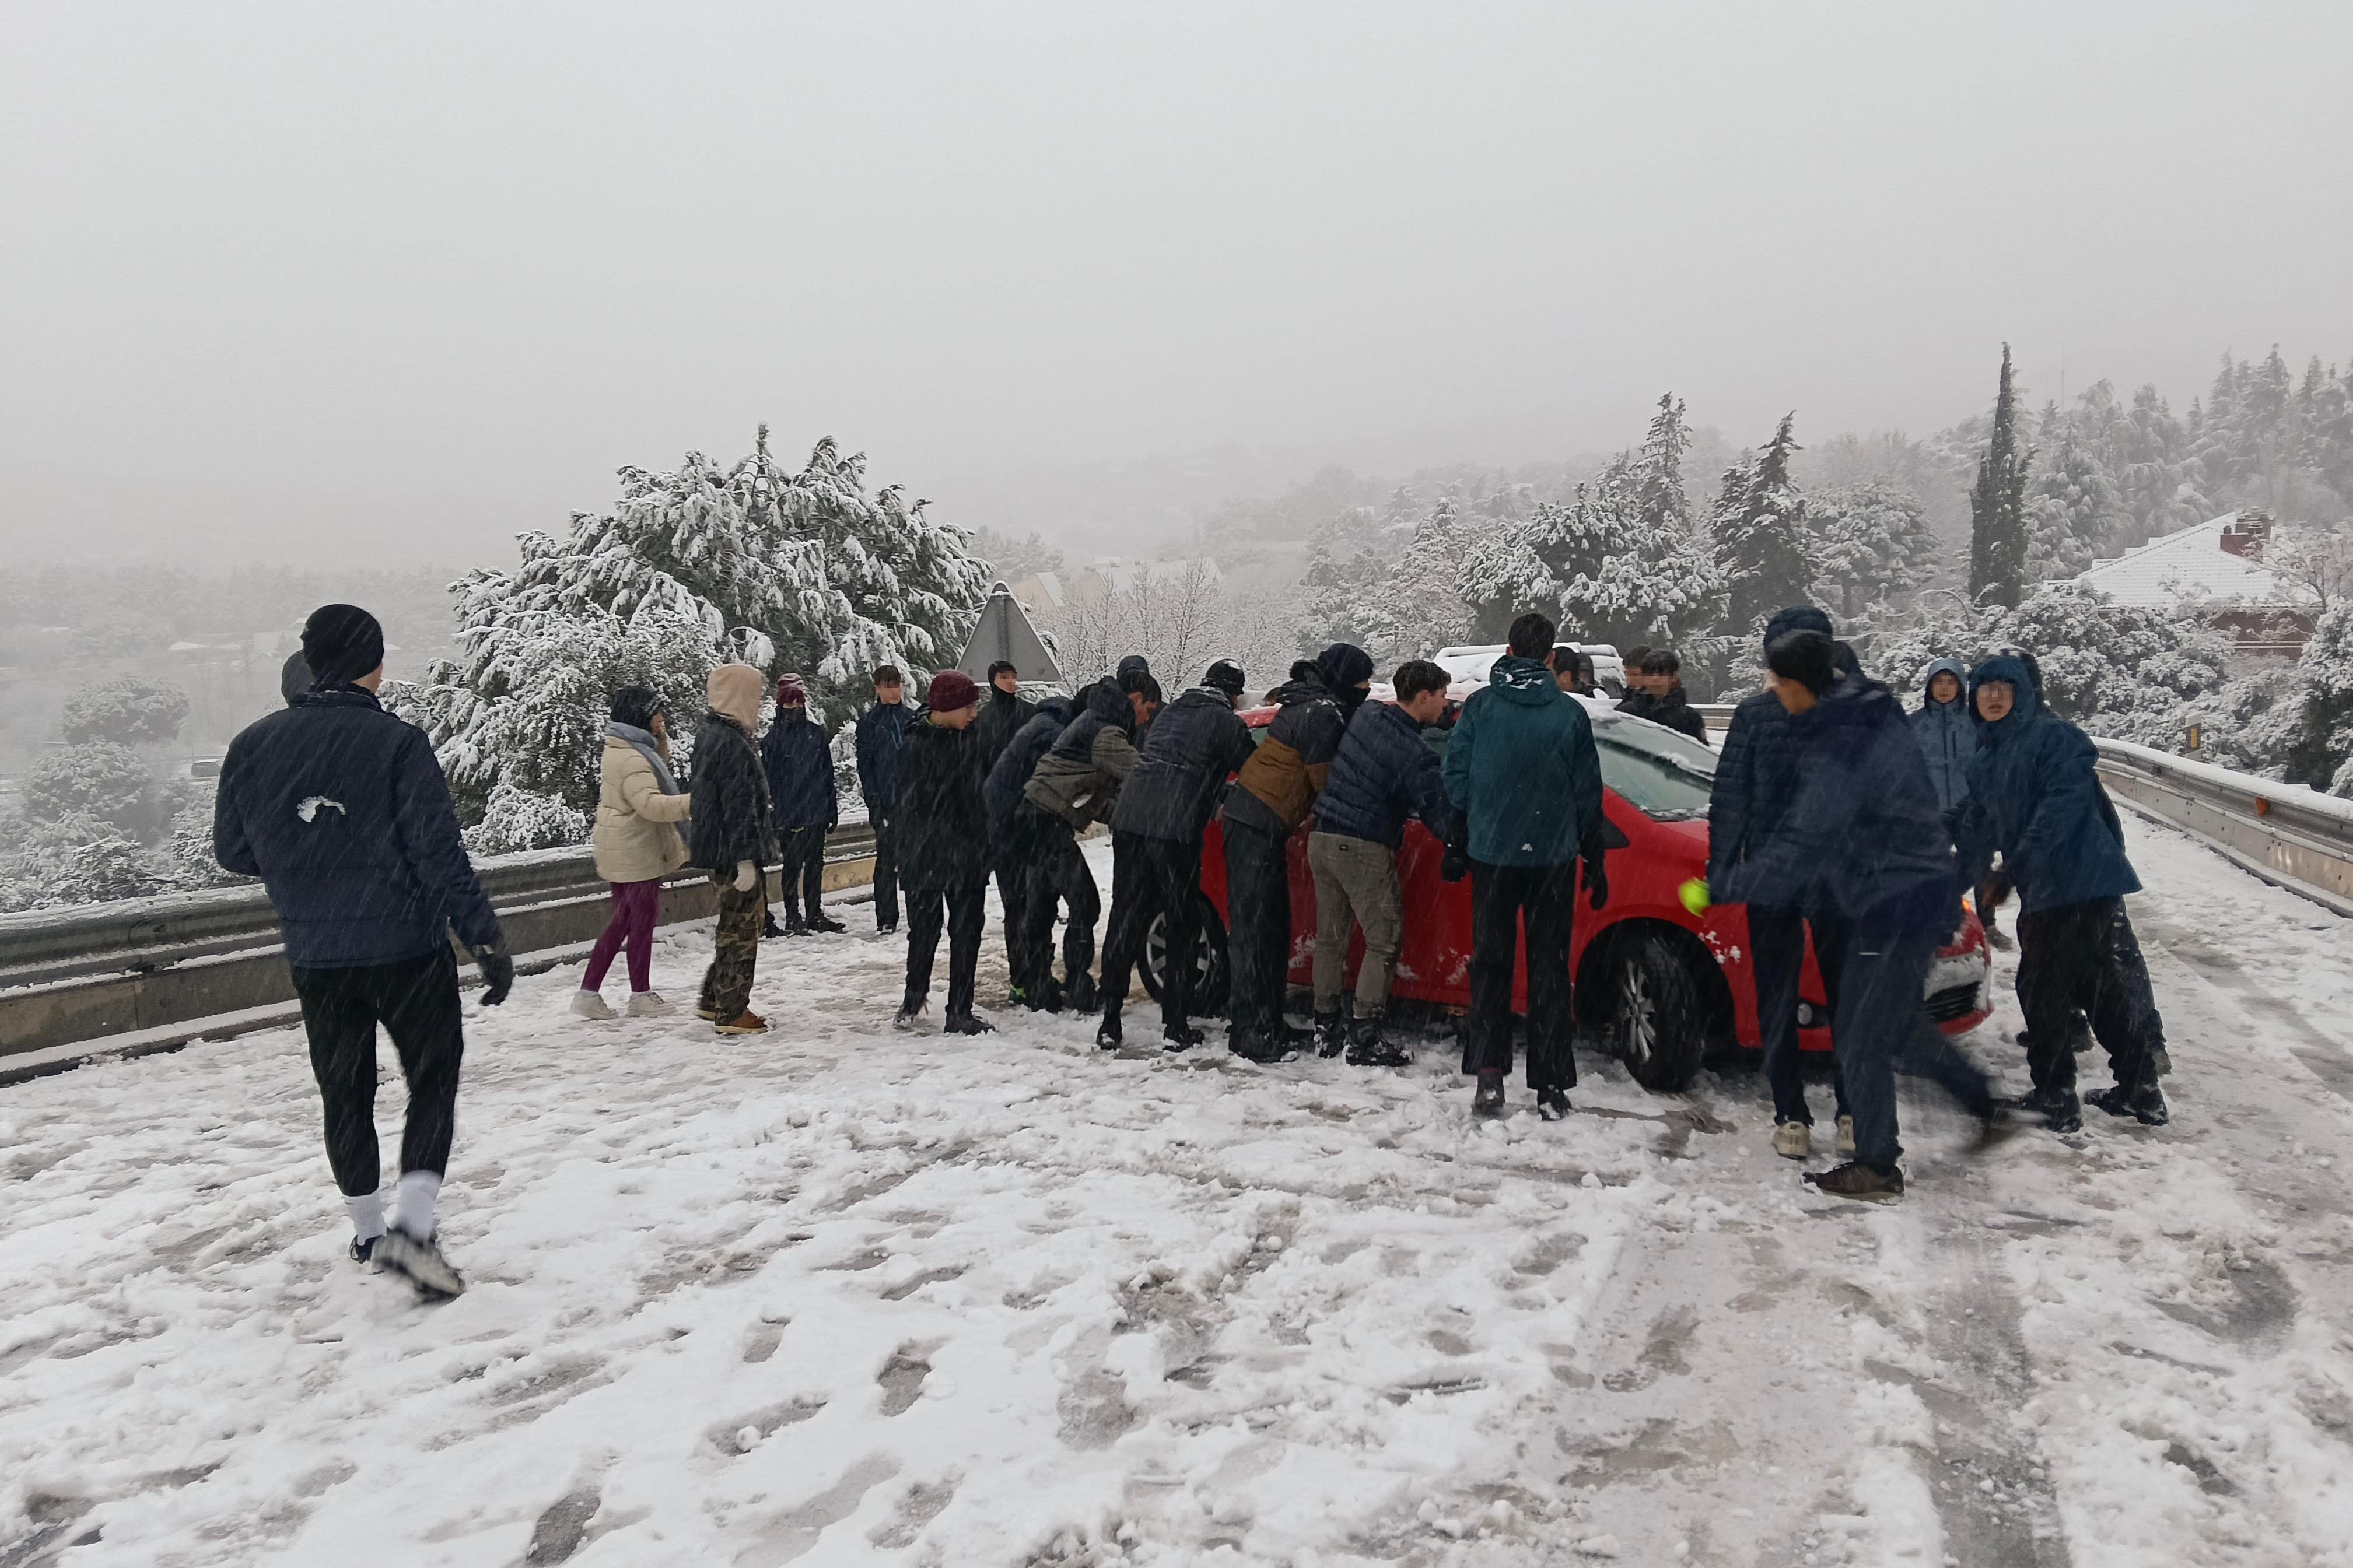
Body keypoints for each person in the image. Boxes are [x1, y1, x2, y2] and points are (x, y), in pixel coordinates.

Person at [213, 604, 510, 1299]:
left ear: (312, 663)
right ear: (375, 663)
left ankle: (369, 1230)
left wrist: (310, 864)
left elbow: (233, 853)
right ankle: (413, 1229)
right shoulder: (398, 744)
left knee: (344, 1093)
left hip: (318, 954)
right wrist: (484, 937)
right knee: (430, 1082)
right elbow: (440, 853)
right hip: (406, 946)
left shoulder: (251, 744)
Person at [1721, 630, 2008, 1201]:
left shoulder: (1841, 737)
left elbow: (1808, 835)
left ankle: (1877, 1165)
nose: (1774, 693)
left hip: (1888, 898)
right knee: (1895, 1022)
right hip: (1910, 888)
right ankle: (1983, 1103)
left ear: (1803, 683)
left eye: (1779, 682)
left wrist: (1728, 884)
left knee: (1857, 1034)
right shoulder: (1870, 714)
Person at [1953, 654, 2170, 1131]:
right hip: (2056, 887)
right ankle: (2140, 1087)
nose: (1993, 696)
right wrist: (1948, 877)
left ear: (2023, 695)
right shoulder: (1987, 760)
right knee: (2098, 988)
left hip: (2075, 882)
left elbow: (2062, 807)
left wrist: (2012, 869)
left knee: (2041, 988)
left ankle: (2055, 1095)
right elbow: (1978, 827)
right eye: (1984, 688)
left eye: (2003, 688)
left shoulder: (2054, 739)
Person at [1441, 612, 1607, 1121]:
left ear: (1509, 653)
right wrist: (1594, 857)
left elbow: (1455, 775)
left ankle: (1490, 1077)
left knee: (1490, 964)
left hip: (1491, 854)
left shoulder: (1480, 708)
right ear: (1551, 658)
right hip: (1553, 858)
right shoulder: (1570, 715)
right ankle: (1552, 1084)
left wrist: (1458, 837)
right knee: (1550, 970)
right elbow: (1588, 793)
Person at [1708, 604, 1853, 1159]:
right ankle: (1831, 1110)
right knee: (1834, 997)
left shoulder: (1762, 715)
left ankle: (1803, 1113)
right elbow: (1730, 801)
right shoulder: (1841, 715)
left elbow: (1731, 802)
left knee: (1785, 995)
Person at [1221, 644, 1371, 1063]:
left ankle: (1270, 1020)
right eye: (1361, 680)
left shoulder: (1310, 702)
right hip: (1254, 821)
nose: (1365, 688)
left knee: (1273, 928)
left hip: (1260, 822)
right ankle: (1249, 1031)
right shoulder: (1322, 713)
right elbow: (1326, 782)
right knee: (1254, 932)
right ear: (1345, 679)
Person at [1098, 659, 1256, 1051]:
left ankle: (1110, 1021)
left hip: (1132, 819)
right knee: (1181, 921)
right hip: (1175, 828)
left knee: (1125, 916)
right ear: (1233, 695)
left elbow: (1174, 761)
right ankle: (1175, 1023)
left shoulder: (1169, 715)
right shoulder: (1227, 722)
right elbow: (1254, 771)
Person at [1310, 659, 1456, 1068]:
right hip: (1361, 846)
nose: (1445, 704)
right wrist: (1461, 840)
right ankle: (1365, 1034)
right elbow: (1437, 810)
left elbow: (1391, 740)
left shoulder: (1369, 715)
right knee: (1384, 939)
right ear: (1424, 696)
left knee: (1331, 937)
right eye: (1442, 697)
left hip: (1321, 836)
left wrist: (1436, 723)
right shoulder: (1414, 754)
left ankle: (1326, 1026)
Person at [1021, 672, 1154, 1016]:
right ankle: (1079, 987)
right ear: (1135, 698)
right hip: (1046, 823)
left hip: (1032, 818)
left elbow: (1097, 792)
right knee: (1086, 904)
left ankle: (1038, 985)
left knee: (1040, 907)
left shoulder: (1094, 719)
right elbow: (1144, 773)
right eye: (1147, 709)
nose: (1147, 718)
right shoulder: (1107, 732)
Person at [574, 686, 692, 1019]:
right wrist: (698, 802)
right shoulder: (631, 757)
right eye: (657, 713)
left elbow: (653, 773)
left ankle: (595, 993)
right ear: (642, 716)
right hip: (636, 852)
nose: (662, 718)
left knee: (627, 921)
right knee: (635, 923)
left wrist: (660, 738)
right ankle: (631, 994)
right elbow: (651, 805)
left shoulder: (627, 748)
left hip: (624, 847)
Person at [895, 669, 994, 1033]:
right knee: (924, 929)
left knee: (967, 932)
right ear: (949, 706)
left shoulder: (971, 740)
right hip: (930, 856)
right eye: (968, 706)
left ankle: (960, 1011)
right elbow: (911, 808)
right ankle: (913, 998)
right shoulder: (916, 747)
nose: (974, 713)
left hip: (964, 856)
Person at [689, 664, 778, 1036]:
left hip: (719, 847)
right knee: (743, 928)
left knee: (732, 925)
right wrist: (745, 859)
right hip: (733, 851)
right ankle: (731, 1009)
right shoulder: (732, 744)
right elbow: (739, 805)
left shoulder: (712, 734)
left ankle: (715, 998)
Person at [983, 689, 1077, 1008]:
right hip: (1019, 831)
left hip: (1007, 829)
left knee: (1023, 907)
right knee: (1029, 907)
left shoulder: (1037, 723)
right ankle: (1029, 981)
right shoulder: (1052, 733)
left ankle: (1026, 979)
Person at [762, 673, 843, 935]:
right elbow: (770, 783)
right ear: (780, 705)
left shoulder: (816, 735)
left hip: (816, 812)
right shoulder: (772, 741)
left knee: (815, 866)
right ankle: (793, 916)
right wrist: (778, 815)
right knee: (793, 866)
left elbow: (826, 774)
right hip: (790, 815)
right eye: (789, 702)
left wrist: (831, 808)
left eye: (798, 701)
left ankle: (813, 913)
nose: (795, 707)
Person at [855, 666, 909, 936]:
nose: (894, 690)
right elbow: (865, 767)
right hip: (886, 803)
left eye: (897, 684)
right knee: (886, 863)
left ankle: (919, 909)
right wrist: (874, 802)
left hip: (912, 803)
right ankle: (886, 917)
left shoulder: (911, 718)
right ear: (877, 688)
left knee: (914, 861)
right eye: (888, 685)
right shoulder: (870, 723)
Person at [1633, 651, 1708, 742]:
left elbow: (1700, 752)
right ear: (1643, 677)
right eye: (1650, 675)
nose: (1655, 679)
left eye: (1662, 675)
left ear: (1673, 677)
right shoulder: (1628, 713)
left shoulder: (1690, 718)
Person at [1616, 646, 1655, 718]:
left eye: (1635, 675)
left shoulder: (1665, 711)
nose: (1629, 680)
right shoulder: (1629, 698)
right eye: (1627, 674)